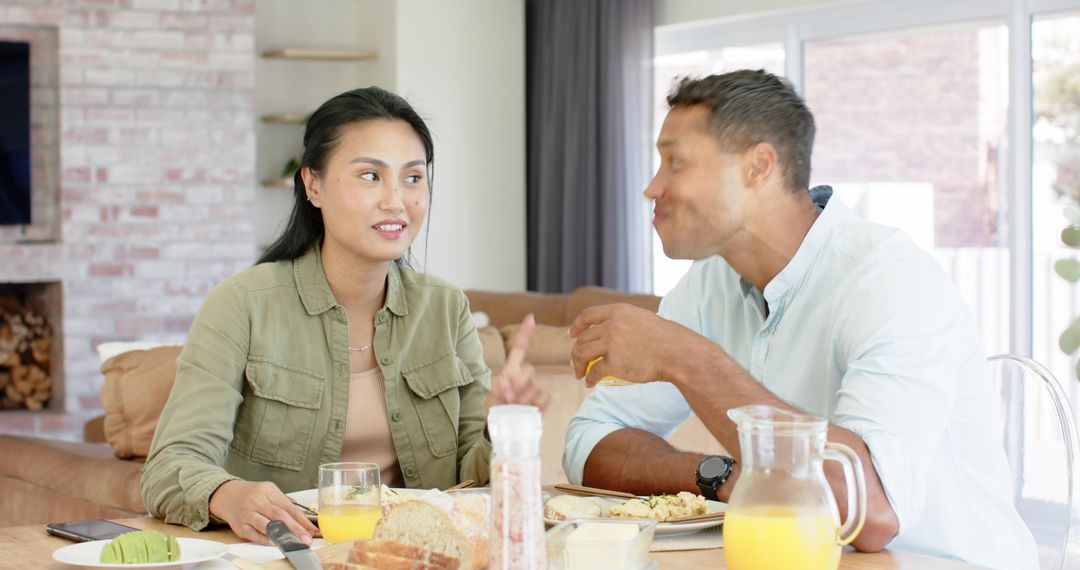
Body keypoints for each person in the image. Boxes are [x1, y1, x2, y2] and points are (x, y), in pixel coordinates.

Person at [562, 70, 1037, 569]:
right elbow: (588, 441)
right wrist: (722, 475)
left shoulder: (889, 279)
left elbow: (869, 513)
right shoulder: (710, 285)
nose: (652, 187)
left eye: (675, 162)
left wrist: (684, 357)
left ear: (758, 167)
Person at [141, 87, 548, 546]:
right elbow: (169, 465)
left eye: (413, 178)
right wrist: (228, 495)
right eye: (371, 176)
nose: (396, 200)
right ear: (312, 184)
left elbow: (471, 485)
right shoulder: (243, 304)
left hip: (409, 555)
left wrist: (505, 423)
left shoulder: (446, 308)